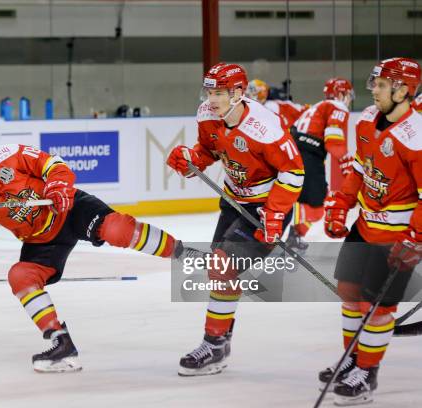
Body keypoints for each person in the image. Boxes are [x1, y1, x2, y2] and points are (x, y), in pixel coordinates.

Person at [0, 138, 195, 373]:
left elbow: (53, 165)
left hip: (69, 209)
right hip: (41, 239)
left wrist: (57, 187)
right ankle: (60, 343)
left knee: (117, 229)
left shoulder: (6, 155)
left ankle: (184, 253)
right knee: (20, 276)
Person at [166, 63, 305, 376]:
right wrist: (190, 161)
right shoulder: (206, 114)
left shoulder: (265, 126)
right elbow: (209, 149)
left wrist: (276, 213)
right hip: (233, 202)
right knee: (222, 271)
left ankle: (214, 343)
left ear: (239, 93)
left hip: (265, 207)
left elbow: (294, 171)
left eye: (219, 93)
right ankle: (222, 340)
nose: (212, 99)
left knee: (221, 266)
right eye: (209, 92)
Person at [320, 57, 421, 406]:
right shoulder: (365, 121)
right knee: (349, 293)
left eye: (380, 85)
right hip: (364, 226)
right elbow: (362, 170)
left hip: (396, 237)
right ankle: (352, 356)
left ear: (404, 90)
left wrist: (416, 239)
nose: (373, 91)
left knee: (377, 308)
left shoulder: (416, 136)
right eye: (374, 84)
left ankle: (367, 372)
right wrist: (341, 202)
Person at [286, 78, 354, 250]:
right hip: (307, 155)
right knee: (314, 203)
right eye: (347, 95)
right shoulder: (338, 106)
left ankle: (294, 235)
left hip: (298, 152)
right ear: (341, 93)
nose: (349, 99)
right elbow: (333, 139)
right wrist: (347, 163)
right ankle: (285, 237)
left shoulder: (317, 106)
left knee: (315, 202)